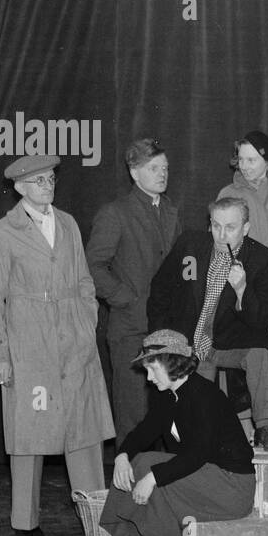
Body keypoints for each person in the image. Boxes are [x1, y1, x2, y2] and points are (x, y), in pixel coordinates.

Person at [0, 155, 114, 536]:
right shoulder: (2, 233)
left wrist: (87, 322)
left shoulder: (69, 223)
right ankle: (25, 522)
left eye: (50, 178)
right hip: (29, 344)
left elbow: (85, 279)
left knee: (84, 431)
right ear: (20, 188)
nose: (47, 185)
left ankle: (96, 518)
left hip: (75, 342)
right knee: (28, 436)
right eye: (38, 181)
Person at [147, 197, 268, 452]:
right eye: (216, 225)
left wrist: (242, 289)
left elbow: (261, 321)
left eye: (230, 227)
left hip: (230, 342)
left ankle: (264, 425)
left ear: (245, 228)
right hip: (189, 342)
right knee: (193, 425)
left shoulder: (264, 260)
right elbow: (160, 289)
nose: (221, 235)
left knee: (262, 353)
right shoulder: (190, 245)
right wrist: (162, 338)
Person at [100, 330, 255, 536]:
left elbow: (198, 454)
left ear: (171, 363)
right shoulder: (166, 395)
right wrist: (122, 456)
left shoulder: (205, 395)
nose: (149, 378)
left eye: (153, 369)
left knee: (149, 469)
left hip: (231, 486)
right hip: (204, 475)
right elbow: (145, 431)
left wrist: (153, 477)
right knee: (141, 461)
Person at [86, 139, 181, 443]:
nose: (162, 174)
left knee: (166, 413)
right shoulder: (115, 213)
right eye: (154, 168)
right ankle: (127, 487)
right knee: (133, 413)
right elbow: (93, 266)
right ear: (134, 172)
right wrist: (124, 298)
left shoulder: (170, 211)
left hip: (166, 329)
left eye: (165, 168)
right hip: (130, 330)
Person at [216, 130, 268, 350]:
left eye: (251, 160)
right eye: (241, 159)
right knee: (260, 360)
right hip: (247, 291)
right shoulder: (227, 194)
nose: (244, 165)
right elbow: (219, 246)